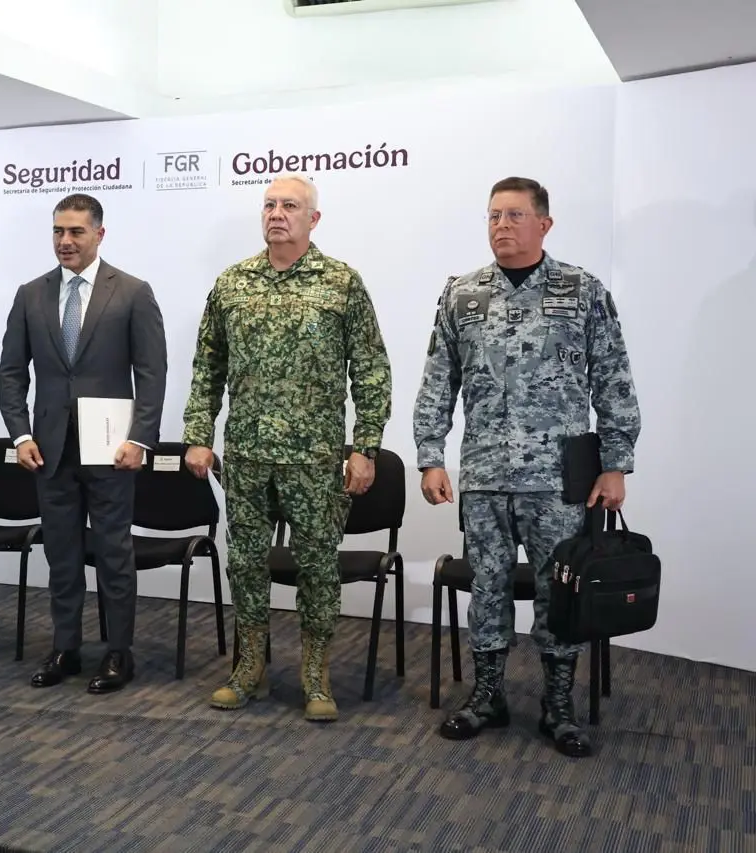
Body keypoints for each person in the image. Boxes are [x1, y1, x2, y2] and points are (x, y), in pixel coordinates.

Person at [413, 176, 641, 757]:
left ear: (544, 223)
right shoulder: (462, 296)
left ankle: (557, 705)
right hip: (485, 477)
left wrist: (615, 464)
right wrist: (430, 457)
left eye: (514, 215)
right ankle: (488, 695)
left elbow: (613, 379)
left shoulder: (581, 290)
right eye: (493, 216)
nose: (501, 226)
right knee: (486, 588)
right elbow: (439, 381)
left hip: (559, 482)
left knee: (557, 593)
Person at [182, 173, 392, 722]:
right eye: (270, 205)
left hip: (315, 459)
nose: (277, 213)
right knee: (246, 565)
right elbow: (208, 368)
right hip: (247, 457)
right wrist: (198, 437)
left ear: (313, 219)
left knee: (317, 568)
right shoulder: (233, 283)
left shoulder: (341, 283)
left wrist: (365, 445)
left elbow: (370, 371)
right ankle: (248, 667)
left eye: (291, 206)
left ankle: (316, 674)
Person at [0, 193, 167, 693]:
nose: (65, 241)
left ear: (99, 234)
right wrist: (20, 432)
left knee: (114, 553)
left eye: (75, 232)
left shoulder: (133, 292)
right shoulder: (31, 294)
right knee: (63, 555)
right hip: (48, 449)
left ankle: (118, 652)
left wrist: (141, 439)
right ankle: (65, 648)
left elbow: (151, 373)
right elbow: (11, 373)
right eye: (57, 232)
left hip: (112, 450)